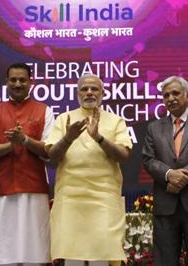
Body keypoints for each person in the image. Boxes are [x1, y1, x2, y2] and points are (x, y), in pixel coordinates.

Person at [45, 74, 132, 266]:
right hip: (70, 198)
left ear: (102, 93)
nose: (89, 92)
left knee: (103, 255)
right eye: (85, 89)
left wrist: (99, 137)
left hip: (104, 198)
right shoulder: (64, 119)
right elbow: (52, 156)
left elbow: (123, 155)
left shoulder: (115, 120)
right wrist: (68, 138)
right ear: (78, 93)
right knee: (72, 257)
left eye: (94, 89)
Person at [0, 63, 54, 266]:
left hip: (34, 189)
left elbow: (49, 151)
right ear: (6, 82)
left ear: (31, 82)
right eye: (13, 79)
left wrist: (25, 141)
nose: (18, 84)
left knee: (35, 253)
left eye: (22, 79)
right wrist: (10, 146)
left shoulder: (44, 110)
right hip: (3, 188)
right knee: (4, 253)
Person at [142, 76, 188, 265]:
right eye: (166, 95)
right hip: (166, 204)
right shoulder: (154, 127)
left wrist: (184, 176)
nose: (171, 98)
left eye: (175, 93)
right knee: (164, 260)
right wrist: (169, 175)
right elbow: (148, 159)